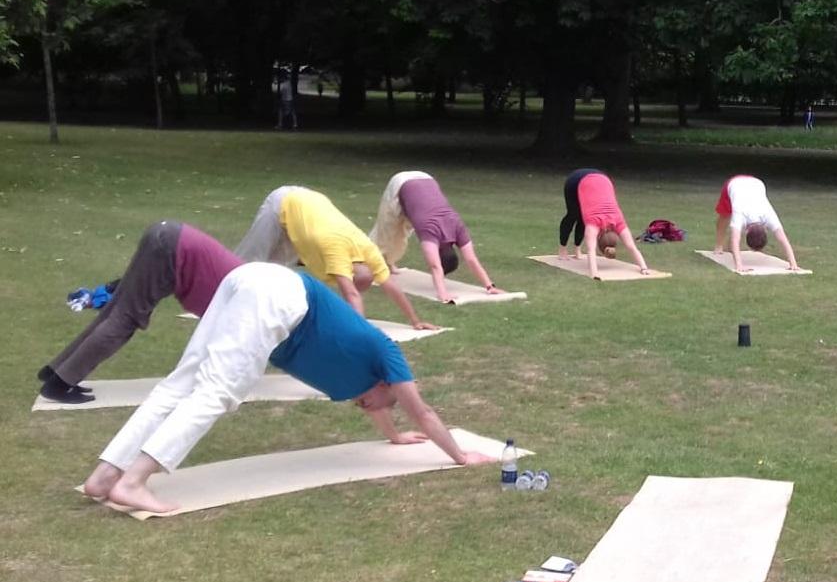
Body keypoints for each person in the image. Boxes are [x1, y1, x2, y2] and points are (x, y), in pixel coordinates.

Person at [79, 262, 495, 514]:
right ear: (390, 384)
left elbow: (381, 409)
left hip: (249, 280)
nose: (366, 406)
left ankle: (104, 476)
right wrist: (460, 456)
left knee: (179, 385)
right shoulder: (387, 354)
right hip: (279, 293)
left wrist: (396, 436)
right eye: (382, 401)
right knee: (215, 393)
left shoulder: (360, 383)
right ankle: (133, 482)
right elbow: (421, 411)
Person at [38, 221, 241, 404]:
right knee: (124, 320)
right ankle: (59, 384)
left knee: (115, 313)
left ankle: (56, 372)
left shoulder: (250, 286)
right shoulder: (248, 302)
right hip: (172, 248)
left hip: (168, 236)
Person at [233, 186, 435, 329]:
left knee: (275, 270)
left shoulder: (368, 251)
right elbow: (351, 295)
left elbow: (391, 286)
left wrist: (415, 320)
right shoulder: (336, 252)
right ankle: (221, 292)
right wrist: (360, 334)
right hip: (284, 201)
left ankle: (256, 306)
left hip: (309, 207)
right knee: (249, 261)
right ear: (350, 271)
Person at [368, 170, 503, 303]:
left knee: (404, 228)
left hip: (426, 178)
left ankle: (389, 262)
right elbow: (435, 266)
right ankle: (368, 264)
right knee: (387, 229)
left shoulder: (458, 225)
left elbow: (472, 260)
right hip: (400, 182)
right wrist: (442, 293)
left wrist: (490, 286)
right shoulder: (430, 231)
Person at [556, 169, 653, 280]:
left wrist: (644, 268)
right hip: (577, 180)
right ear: (598, 238)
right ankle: (562, 250)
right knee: (573, 214)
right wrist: (594, 273)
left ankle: (577, 250)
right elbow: (591, 250)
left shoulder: (618, 221)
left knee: (583, 218)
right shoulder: (595, 224)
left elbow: (631, 247)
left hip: (603, 179)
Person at [712, 175, 801, 273]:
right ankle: (719, 245)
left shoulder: (768, 214)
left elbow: (783, 239)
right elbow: (735, 239)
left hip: (756, 183)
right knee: (724, 216)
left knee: (733, 228)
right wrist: (739, 265)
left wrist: (793, 264)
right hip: (735, 184)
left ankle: (726, 247)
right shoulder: (741, 213)